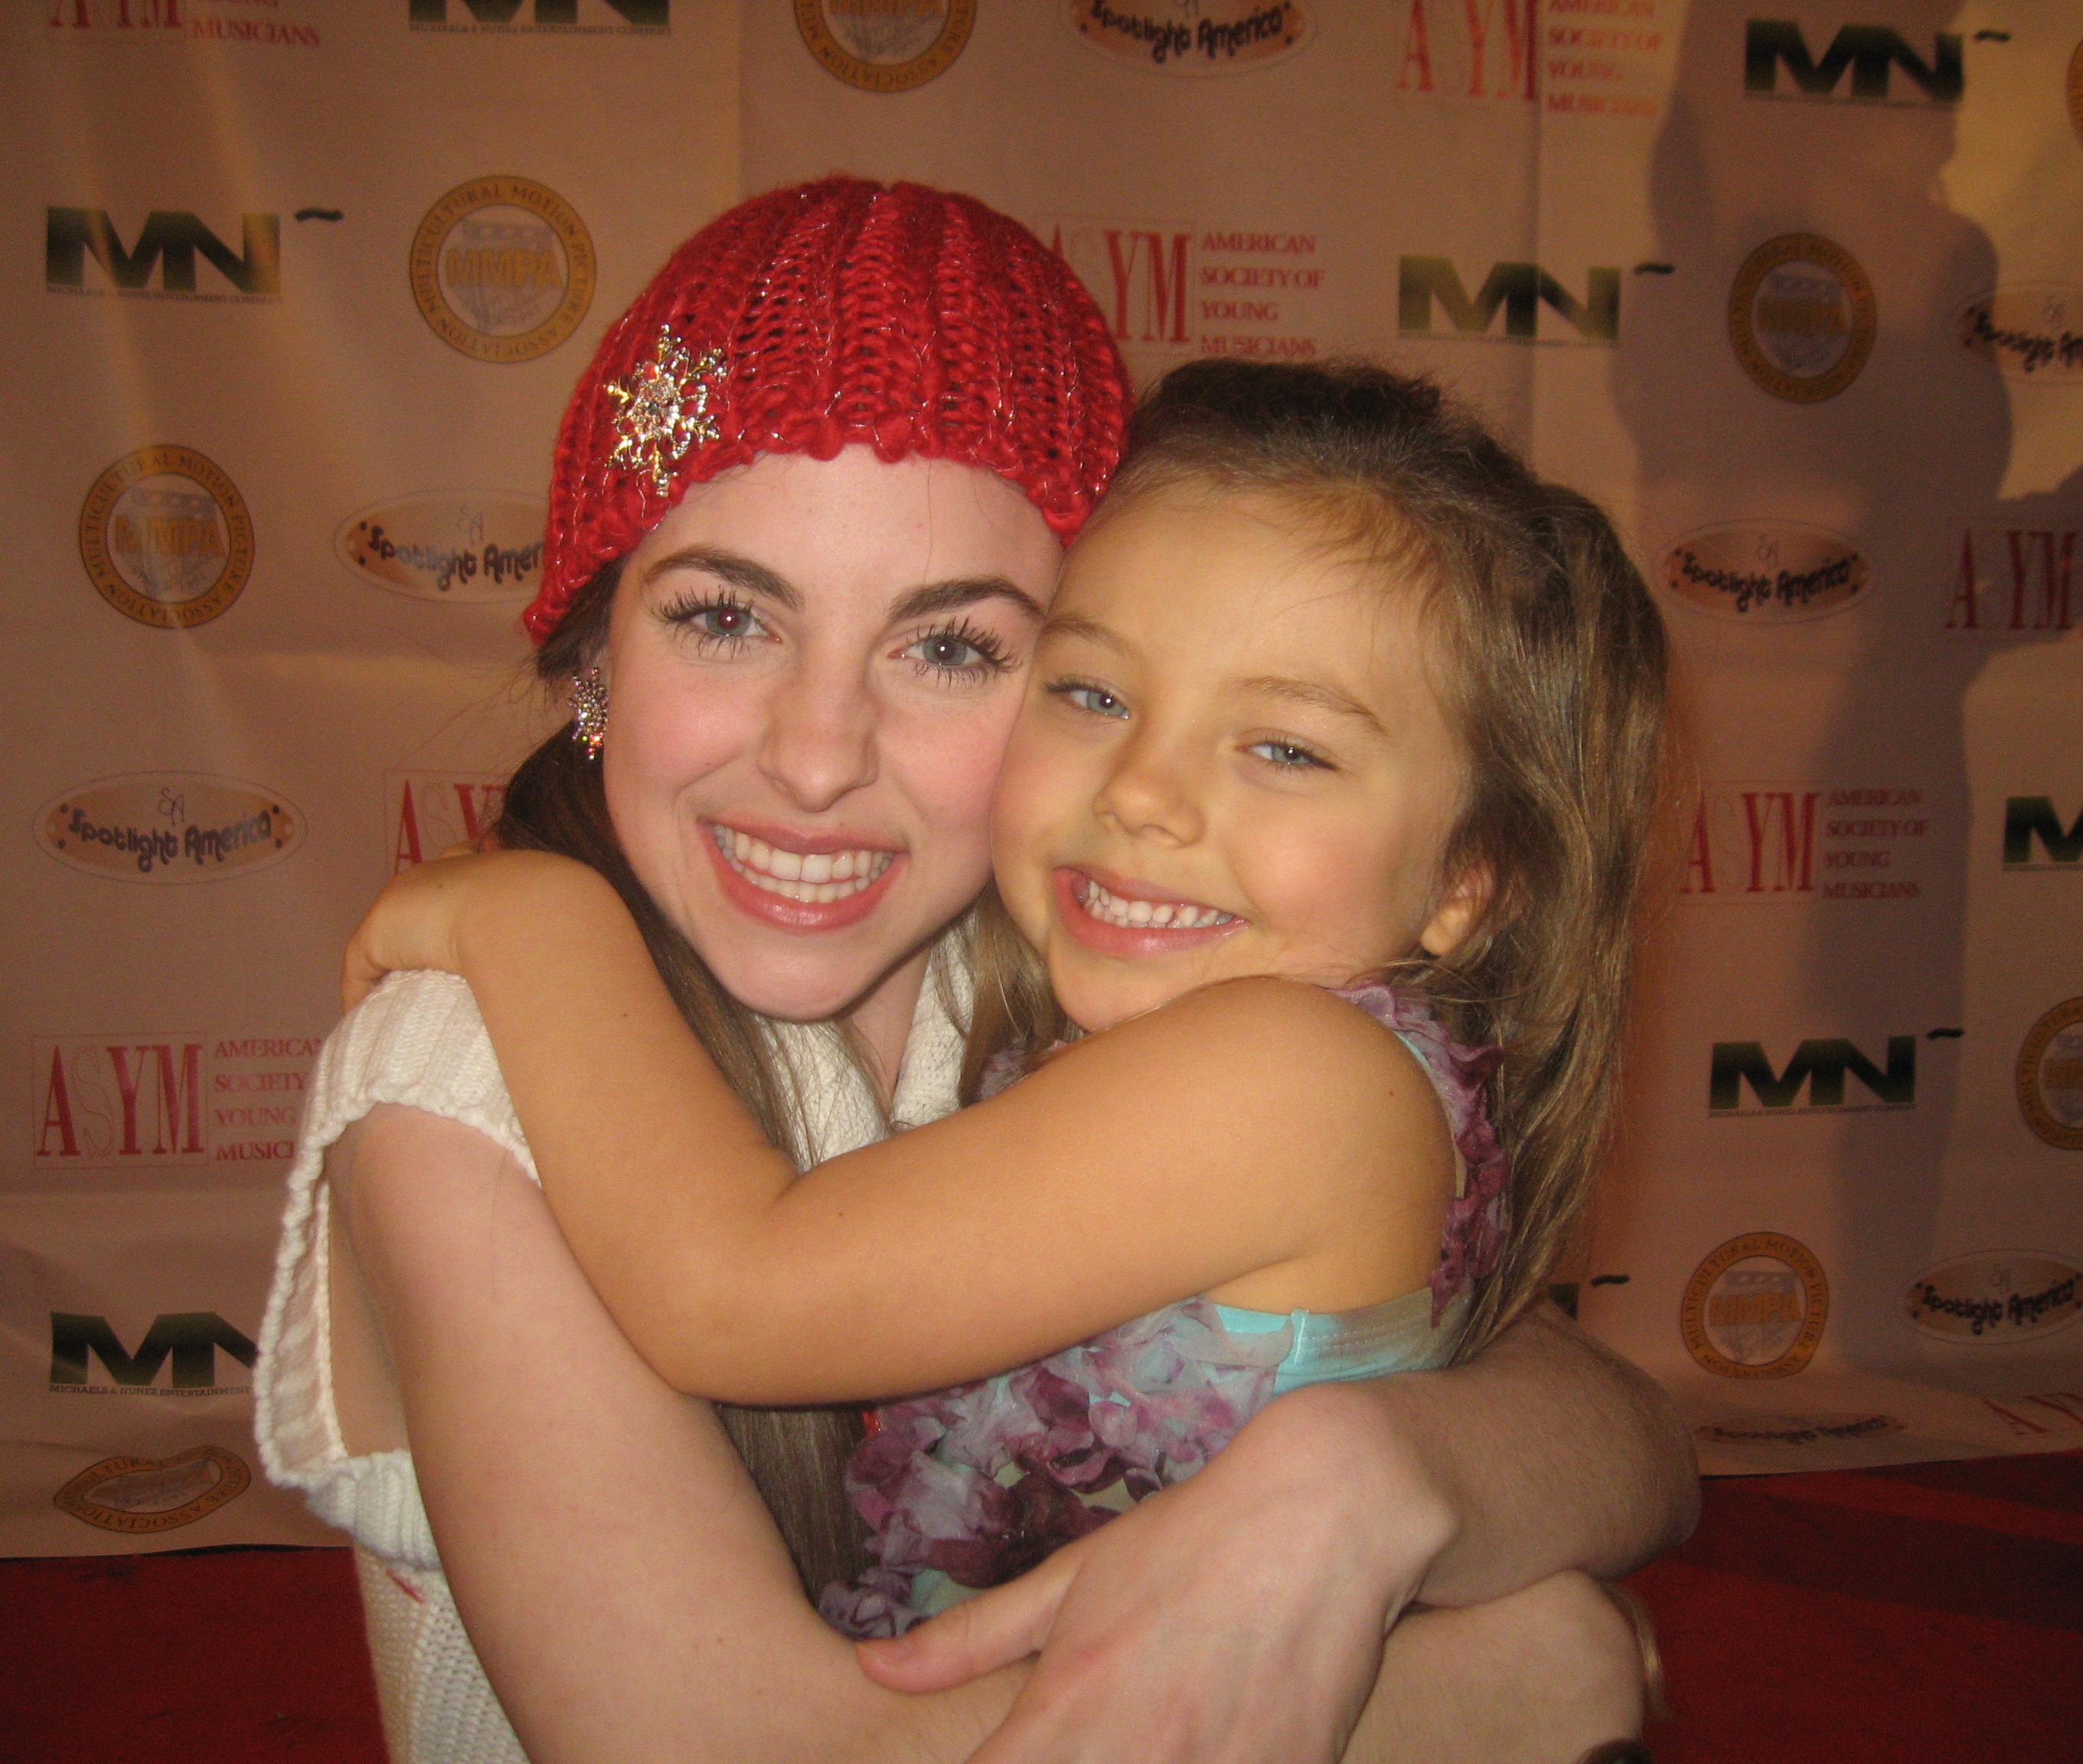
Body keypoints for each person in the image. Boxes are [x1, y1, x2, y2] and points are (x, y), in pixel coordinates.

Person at [258, 180, 1695, 1764]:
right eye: (725, 618)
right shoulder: (459, 1075)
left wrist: (1376, 1478)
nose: (816, 760)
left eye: (949, 648)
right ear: (593, 649)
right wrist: (1509, 1679)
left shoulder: (1037, 991)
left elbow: (1610, 1421)